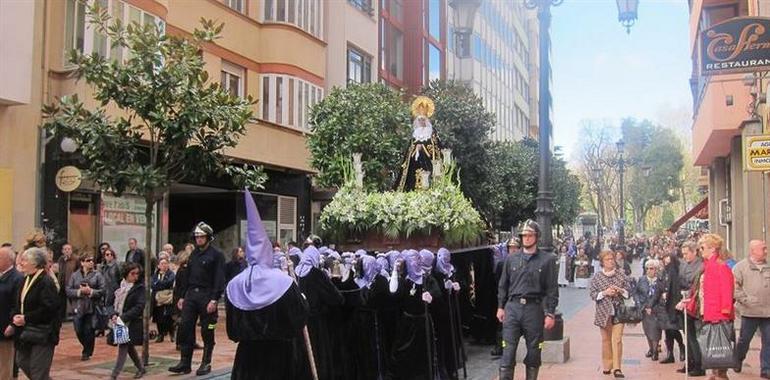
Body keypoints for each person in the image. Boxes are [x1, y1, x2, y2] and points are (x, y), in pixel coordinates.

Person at [496, 220, 559, 380]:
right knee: (508, 353)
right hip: (512, 309)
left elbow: (551, 289)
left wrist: (550, 313)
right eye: (524, 235)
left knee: (533, 354)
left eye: (530, 235)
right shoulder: (511, 259)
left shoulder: (547, 260)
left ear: (537, 237)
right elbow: (503, 284)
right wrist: (500, 306)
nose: (527, 238)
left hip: (534, 310)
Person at [169, 222, 226, 376]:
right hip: (191, 295)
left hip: (207, 296)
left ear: (208, 237)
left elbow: (219, 279)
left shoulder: (216, 255)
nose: (199, 239)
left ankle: (206, 362)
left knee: (208, 330)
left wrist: (214, 299)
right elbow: (187, 277)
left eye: (202, 236)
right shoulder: (193, 254)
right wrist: (182, 296)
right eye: (197, 237)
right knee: (185, 327)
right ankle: (185, 363)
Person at [677, 233, 734, 380]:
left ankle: (719, 376)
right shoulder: (707, 266)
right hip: (707, 314)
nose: (700, 251)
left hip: (719, 316)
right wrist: (688, 303)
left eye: (702, 248)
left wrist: (724, 312)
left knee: (720, 353)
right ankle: (715, 375)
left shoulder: (721, 266)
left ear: (712, 249)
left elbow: (727, 291)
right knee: (711, 351)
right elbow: (700, 291)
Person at [10, 247, 62, 380]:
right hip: (26, 332)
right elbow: (19, 303)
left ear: (34, 263)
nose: (21, 263)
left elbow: (49, 309)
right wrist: (15, 317)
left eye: (24, 260)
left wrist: (26, 318)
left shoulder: (45, 281)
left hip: (43, 333)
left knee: (38, 370)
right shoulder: (25, 280)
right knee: (21, 360)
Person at [297, 244, 344, 380]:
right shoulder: (317, 274)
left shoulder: (294, 272)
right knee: (318, 356)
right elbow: (336, 298)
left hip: (300, 324)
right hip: (316, 324)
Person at [590, 249, 632, 379]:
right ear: (602, 262)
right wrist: (605, 293)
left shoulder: (621, 274)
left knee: (617, 339)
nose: (611, 261)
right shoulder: (597, 277)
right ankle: (607, 365)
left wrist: (620, 290)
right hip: (604, 312)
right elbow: (593, 294)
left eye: (612, 259)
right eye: (607, 260)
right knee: (606, 340)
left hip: (619, 312)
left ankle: (617, 367)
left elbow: (629, 292)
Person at [732, 240, 770, 378]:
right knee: (744, 340)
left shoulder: (768, 266)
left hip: (767, 312)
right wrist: (746, 300)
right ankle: (738, 359)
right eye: (763, 249)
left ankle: (766, 368)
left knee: (768, 341)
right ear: (753, 251)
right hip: (750, 312)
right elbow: (735, 288)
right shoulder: (741, 267)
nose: (766, 251)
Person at [109, 262, 146, 379]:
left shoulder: (140, 288)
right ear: (126, 274)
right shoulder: (119, 287)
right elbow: (110, 303)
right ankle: (141, 368)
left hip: (130, 321)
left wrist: (123, 317)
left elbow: (139, 307)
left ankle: (114, 375)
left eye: (137, 274)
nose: (135, 276)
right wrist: (113, 315)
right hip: (118, 320)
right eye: (132, 273)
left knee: (123, 346)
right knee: (128, 346)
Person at [66, 253, 105, 361]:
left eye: (92, 260)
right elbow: (68, 290)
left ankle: (87, 352)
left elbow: (103, 290)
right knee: (78, 330)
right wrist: (79, 291)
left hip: (91, 307)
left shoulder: (97, 275)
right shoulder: (75, 275)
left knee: (89, 330)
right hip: (78, 307)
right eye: (88, 260)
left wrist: (91, 291)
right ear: (82, 262)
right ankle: (86, 347)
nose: (91, 262)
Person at [395, 111, 443, 191]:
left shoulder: (432, 134)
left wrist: (423, 147)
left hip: (427, 163)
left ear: (426, 120)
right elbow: (409, 151)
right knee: (413, 181)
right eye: (419, 120)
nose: (421, 122)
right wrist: (416, 149)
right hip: (415, 163)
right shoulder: (415, 134)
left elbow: (436, 150)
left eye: (423, 119)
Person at [678, 240, 705, 376]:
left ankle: (699, 364)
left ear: (694, 252)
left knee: (696, 336)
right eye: (683, 254)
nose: (685, 256)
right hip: (684, 303)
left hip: (695, 305)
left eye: (687, 253)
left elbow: (696, 286)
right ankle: (690, 362)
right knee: (687, 336)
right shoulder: (683, 265)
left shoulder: (701, 266)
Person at [654, 253, 686, 364]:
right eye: (665, 262)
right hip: (664, 306)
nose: (667, 265)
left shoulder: (678, 273)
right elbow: (658, 288)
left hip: (674, 305)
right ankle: (670, 354)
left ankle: (682, 347)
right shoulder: (662, 273)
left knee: (673, 329)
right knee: (667, 331)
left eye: (669, 262)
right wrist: (651, 304)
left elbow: (683, 286)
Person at [0, 247, 23, 380]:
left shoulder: (17, 278)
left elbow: (17, 305)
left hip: (5, 328)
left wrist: (12, 325)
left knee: (5, 365)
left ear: (8, 260)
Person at [633, 259, 662, 361]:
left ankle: (655, 351)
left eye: (652, 268)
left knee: (655, 330)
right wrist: (638, 303)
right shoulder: (642, 279)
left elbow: (660, 295)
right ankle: (651, 348)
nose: (649, 271)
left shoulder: (660, 280)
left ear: (656, 270)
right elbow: (636, 292)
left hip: (656, 309)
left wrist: (652, 307)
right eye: (647, 268)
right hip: (644, 308)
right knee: (647, 330)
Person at [152, 257, 176, 343]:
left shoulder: (171, 274)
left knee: (168, 317)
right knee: (159, 317)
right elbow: (153, 284)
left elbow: (169, 282)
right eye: (162, 264)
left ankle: (172, 333)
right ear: (158, 265)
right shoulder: (156, 274)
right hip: (157, 299)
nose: (164, 265)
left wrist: (159, 284)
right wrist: (160, 284)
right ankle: (160, 334)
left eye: (165, 263)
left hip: (167, 299)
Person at [56, 243, 79, 318]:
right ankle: (62, 316)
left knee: (72, 300)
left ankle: (75, 315)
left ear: (71, 250)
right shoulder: (61, 259)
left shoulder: (76, 259)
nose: (67, 251)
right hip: (62, 283)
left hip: (71, 283)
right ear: (62, 251)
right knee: (61, 301)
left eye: (69, 249)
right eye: (65, 249)